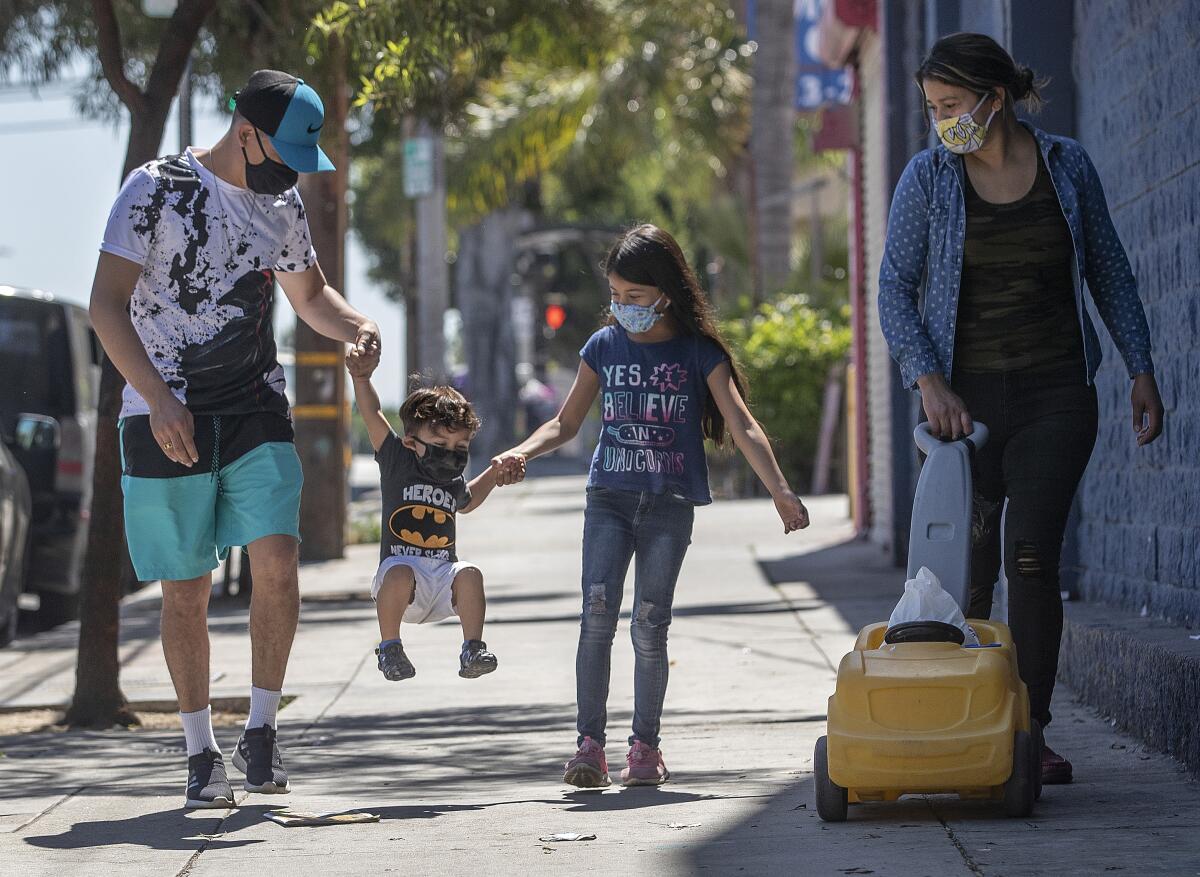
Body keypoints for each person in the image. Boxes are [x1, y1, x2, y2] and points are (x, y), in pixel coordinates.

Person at [878, 33, 1165, 786]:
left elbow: (1108, 269)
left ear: (993, 97)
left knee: (1030, 557)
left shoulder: (1066, 168)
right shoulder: (928, 179)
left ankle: (1028, 731)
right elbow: (894, 290)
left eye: (949, 106)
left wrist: (1141, 365)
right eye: (932, 109)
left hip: (1054, 397)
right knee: (962, 571)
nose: (941, 122)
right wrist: (927, 380)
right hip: (959, 412)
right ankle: (957, 721)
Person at [90, 70, 380, 809]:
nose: (287, 175)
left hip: (254, 406)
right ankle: (198, 748)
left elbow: (310, 296)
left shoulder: (279, 205)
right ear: (243, 131)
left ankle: (260, 730)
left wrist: (359, 326)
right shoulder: (152, 191)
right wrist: (156, 399)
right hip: (165, 411)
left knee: (278, 561)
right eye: (279, 157)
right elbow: (106, 306)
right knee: (184, 589)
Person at [492, 224, 810, 788]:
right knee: (596, 616)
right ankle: (589, 746)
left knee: (649, 625)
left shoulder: (698, 352)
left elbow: (742, 424)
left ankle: (645, 747)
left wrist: (780, 491)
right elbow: (564, 423)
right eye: (614, 296)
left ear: (665, 291)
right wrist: (520, 452)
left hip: (670, 505)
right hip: (608, 499)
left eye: (634, 297)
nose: (623, 308)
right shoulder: (603, 347)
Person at [346, 344, 518, 681]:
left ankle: (472, 649)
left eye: (461, 448)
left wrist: (495, 475)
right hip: (401, 580)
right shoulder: (398, 459)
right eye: (441, 446)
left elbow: (466, 502)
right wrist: (361, 379)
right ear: (412, 441)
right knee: (398, 572)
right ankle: (390, 648)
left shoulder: (451, 478)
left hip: (441, 577)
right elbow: (373, 415)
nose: (451, 456)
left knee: (470, 573)